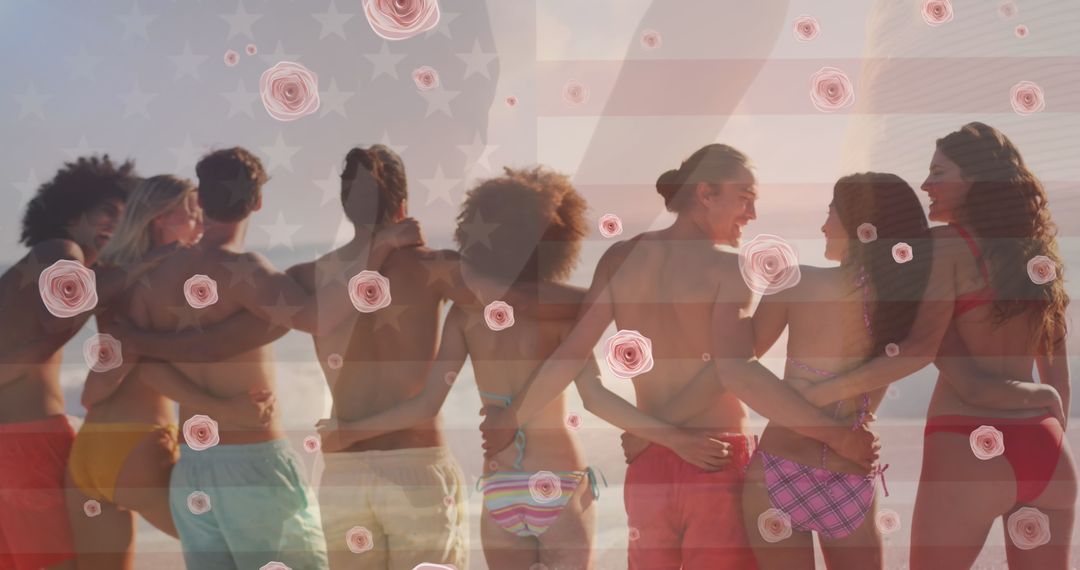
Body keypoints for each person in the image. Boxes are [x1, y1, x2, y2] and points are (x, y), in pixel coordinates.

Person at [480, 144, 881, 569]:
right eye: (744, 197)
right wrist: (835, 431)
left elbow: (579, 373)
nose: (752, 214)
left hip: (648, 470)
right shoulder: (730, 268)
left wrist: (511, 419)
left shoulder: (620, 258)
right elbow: (734, 370)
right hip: (716, 460)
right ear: (705, 193)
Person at [87, 147, 423, 569]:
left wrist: (215, 406)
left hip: (193, 469)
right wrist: (380, 249)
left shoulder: (152, 277)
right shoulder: (246, 270)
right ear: (258, 202)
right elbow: (318, 318)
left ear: (201, 200)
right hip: (252, 462)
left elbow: (146, 367)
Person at [794, 123, 1074, 569]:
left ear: (976, 180)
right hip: (1047, 449)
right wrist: (1042, 423)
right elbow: (1058, 377)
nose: (926, 185)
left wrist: (822, 392)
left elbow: (918, 349)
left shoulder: (946, 247)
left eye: (939, 173)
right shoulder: (1038, 255)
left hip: (968, 444)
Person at [64, 174, 283, 569]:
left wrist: (99, 384)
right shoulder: (170, 280)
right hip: (138, 449)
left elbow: (97, 385)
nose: (201, 223)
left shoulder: (115, 275)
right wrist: (228, 409)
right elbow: (146, 365)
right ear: (160, 218)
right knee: (248, 553)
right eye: (192, 214)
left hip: (88, 452)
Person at [735, 173, 931, 569]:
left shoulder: (795, 281)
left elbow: (739, 362)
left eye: (831, 213)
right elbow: (921, 353)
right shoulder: (905, 303)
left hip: (777, 467)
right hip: (849, 472)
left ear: (861, 225)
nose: (824, 226)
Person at [0, 155, 177, 570]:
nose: (114, 225)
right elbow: (59, 313)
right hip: (31, 445)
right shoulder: (60, 249)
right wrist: (139, 266)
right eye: (106, 212)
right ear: (73, 215)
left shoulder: (30, 267)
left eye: (123, 217)